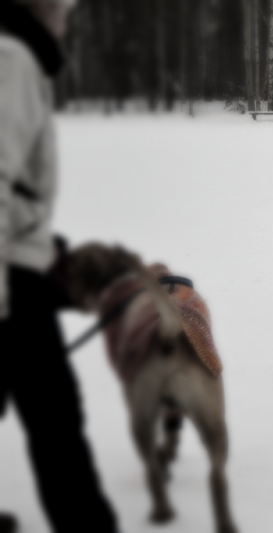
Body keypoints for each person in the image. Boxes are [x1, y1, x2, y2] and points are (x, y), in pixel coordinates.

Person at [0, 1, 118, 531]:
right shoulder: (11, 57)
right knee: (55, 420)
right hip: (9, 279)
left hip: (18, 257)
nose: (67, 22)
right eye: (63, 11)